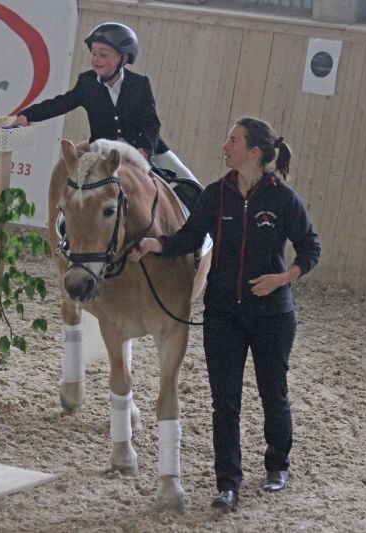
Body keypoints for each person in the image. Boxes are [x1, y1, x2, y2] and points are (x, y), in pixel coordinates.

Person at [129, 116, 321, 513]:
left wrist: (282, 278)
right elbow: (189, 238)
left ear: (254, 152)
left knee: (273, 393)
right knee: (225, 402)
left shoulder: (284, 200)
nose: (226, 145)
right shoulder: (215, 195)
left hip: (272, 316)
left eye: (234, 140)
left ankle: (277, 465)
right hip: (222, 315)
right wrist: (154, 244)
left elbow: (310, 248)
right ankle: (227, 484)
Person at [11, 22, 198, 183]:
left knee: (188, 179)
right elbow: (60, 103)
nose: (96, 59)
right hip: (104, 151)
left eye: (103, 54)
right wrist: (27, 115)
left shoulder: (140, 84)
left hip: (144, 147)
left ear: (123, 58)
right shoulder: (87, 83)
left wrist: (145, 151)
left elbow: (151, 123)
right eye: (93, 53)